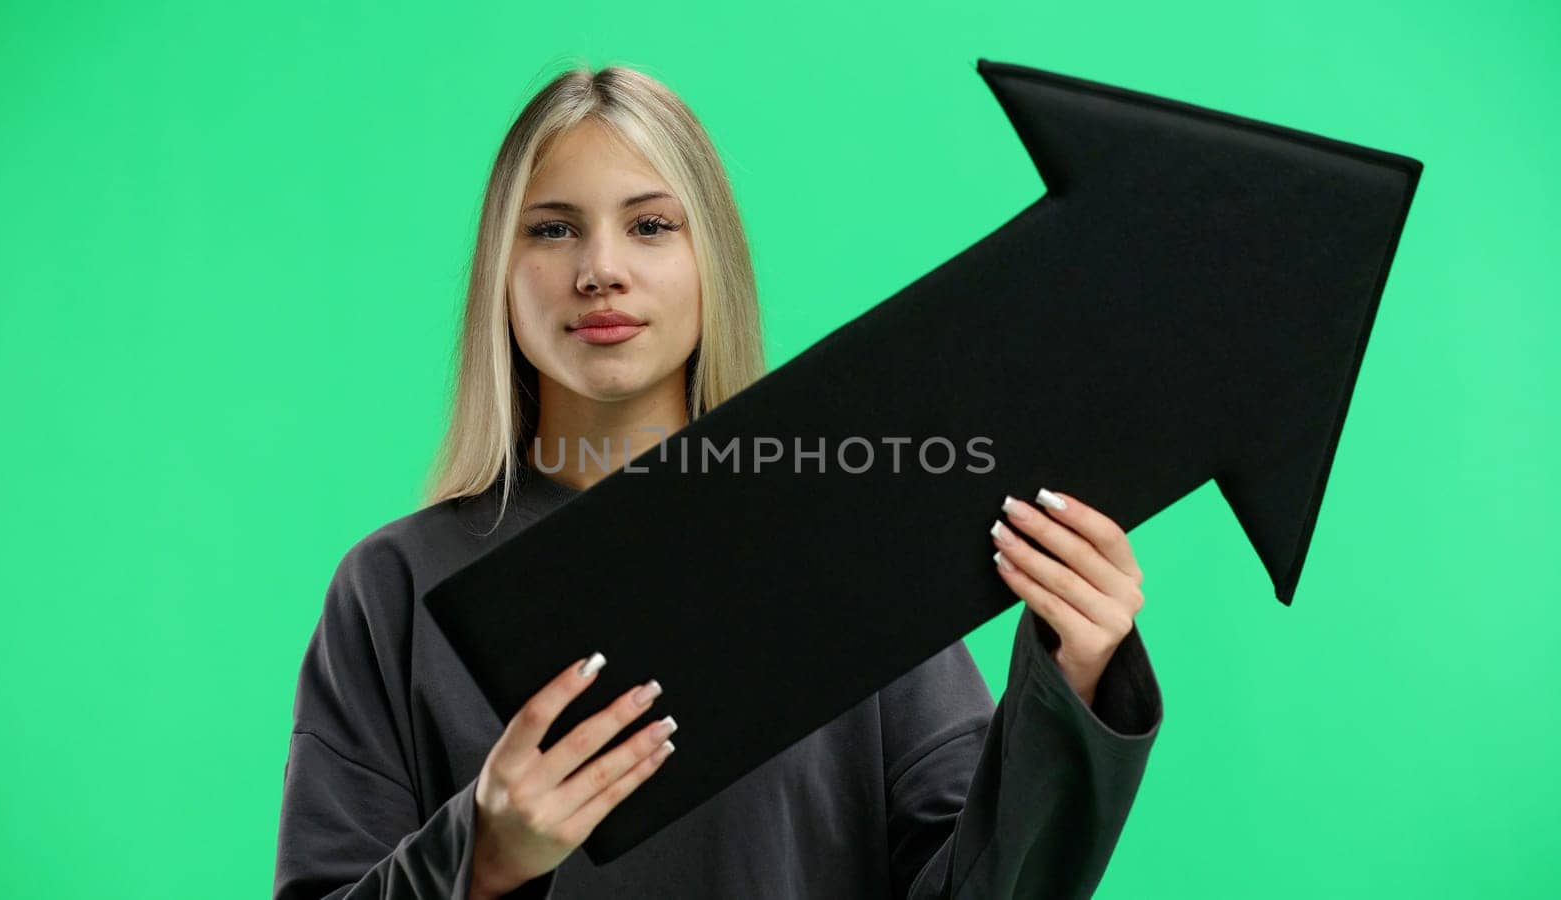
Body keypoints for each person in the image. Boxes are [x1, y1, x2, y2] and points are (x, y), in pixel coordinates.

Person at [272, 63, 1163, 900]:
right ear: (498, 275)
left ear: (714, 262)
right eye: (551, 229)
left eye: (651, 224)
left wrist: (1074, 682)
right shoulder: (395, 591)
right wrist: (481, 852)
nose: (600, 270)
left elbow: (973, 885)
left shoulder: (850, 543)